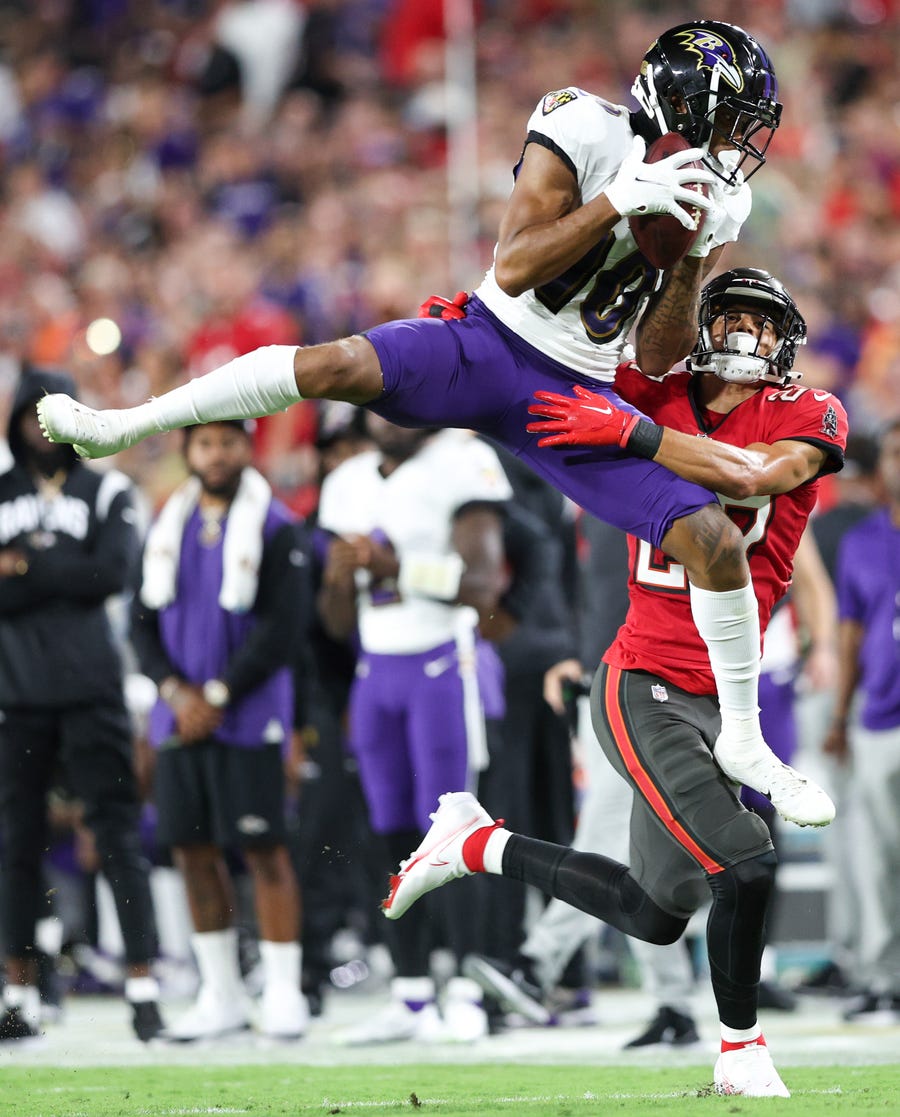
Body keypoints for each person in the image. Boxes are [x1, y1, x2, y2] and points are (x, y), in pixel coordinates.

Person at [36, 20, 833, 827]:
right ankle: (125, 423)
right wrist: (618, 202)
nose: (738, 144)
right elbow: (514, 265)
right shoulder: (583, 125)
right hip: (491, 345)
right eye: (731, 120)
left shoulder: (722, 194)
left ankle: (742, 737)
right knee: (336, 364)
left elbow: (658, 356)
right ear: (680, 100)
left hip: (577, 393)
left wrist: (694, 251)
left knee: (714, 542)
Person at [382, 268, 848, 1097]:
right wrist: (479, 335)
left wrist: (636, 434)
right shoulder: (647, 388)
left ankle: (477, 843)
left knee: (653, 912)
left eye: (763, 323)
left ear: (787, 341)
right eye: (731, 317)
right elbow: (531, 378)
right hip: (644, 681)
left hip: (724, 693)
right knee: (745, 863)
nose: (746, 335)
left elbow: (752, 475)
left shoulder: (807, 412)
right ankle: (741, 1052)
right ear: (701, 326)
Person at [315, 415, 512, 1043]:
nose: (389, 416)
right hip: (375, 671)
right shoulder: (346, 481)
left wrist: (395, 566)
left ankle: (467, 989)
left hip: (440, 665)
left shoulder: (461, 461)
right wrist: (342, 576)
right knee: (389, 835)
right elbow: (335, 621)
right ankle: (410, 992)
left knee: (454, 833)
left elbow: (483, 587)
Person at [130, 418, 311, 1041]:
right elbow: (140, 624)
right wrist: (175, 691)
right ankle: (221, 993)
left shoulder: (277, 525)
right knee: (191, 851)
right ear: (187, 450)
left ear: (247, 448)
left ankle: (284, 990)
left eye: (229, 442)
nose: (217, 454)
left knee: (264, 850)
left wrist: (218, 694)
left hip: (250, 715)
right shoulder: (165, 524)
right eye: (205, 443)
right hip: (178, 717)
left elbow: (284, 628)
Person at [0, 368, 164, 1044]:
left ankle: (143, 984)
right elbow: (80, 574)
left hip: (94, 689)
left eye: (51, 414)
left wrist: (24, 567)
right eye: (29, 416)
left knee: (118, 834)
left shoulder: (110, 488)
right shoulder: (3, 490)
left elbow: (112, 573)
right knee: (16, 843)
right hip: (16, 693)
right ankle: (19, 989)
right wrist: (64, 572)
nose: (40, 429)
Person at [823, 419, 900, 1024]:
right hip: (879, 717)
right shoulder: (861, 541)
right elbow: (849, 635)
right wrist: (840, 715)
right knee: (876, 859)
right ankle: (884, 979)